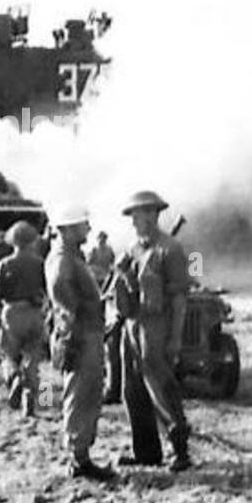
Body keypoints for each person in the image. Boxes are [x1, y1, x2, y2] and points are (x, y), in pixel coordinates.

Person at [115, 190, 192, 472]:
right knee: (132, 390)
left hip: (156, 326)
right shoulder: (134, 249)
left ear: (152, 214)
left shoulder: (169, 249)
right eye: (133, 215)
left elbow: (179, 298)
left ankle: (179, 449)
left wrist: (174, 338)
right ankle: (146, 452)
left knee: (161, 388)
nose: (134, 221)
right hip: (132, 325)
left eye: (139, 214)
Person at [46, 203, 115, 482]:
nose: (88, 228)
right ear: (68, 229)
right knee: (80, 394)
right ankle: (78, 457)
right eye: (83, 224)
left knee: (89, 393)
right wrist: (76, 328)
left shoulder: (72, 257)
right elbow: (65, 300)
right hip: (80, 335)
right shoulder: (63, 261)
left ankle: (82, 453)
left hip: (86, 332)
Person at [0, 220, 47, 416]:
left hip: (11, 313)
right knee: (32, 357)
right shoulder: (40, 263)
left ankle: (14, 378)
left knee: (8, 355)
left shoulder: (4, 264)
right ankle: (31, 396)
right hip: (34, 312)